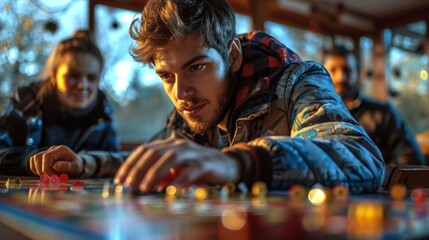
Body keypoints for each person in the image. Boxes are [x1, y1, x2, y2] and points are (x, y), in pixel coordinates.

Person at [30, 0, 384, 194]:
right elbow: (146, 160)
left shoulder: (298, 81)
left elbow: (360, 156)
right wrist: (84, 164)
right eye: (167, 76)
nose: (181, 93)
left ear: (231, 56)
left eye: (196, 67)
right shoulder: (190, 111)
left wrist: (239, 162)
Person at [0, 30, 120, 177]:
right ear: (54, 76)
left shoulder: (104, 113)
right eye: (73, 76)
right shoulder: (27, 101)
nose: (83, 85)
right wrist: (28, 161)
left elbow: (112, 163)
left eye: (92, 78)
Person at [322, 44, 425, 166]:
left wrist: (381, 178)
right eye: (333, 70)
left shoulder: (382, 113)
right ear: (322, 75)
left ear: (358, 74)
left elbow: (410, 157)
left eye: (347, 70)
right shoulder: (312, 116)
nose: (341, 77)